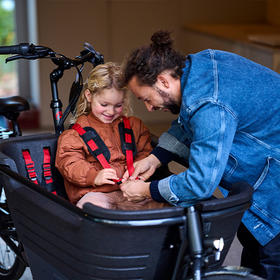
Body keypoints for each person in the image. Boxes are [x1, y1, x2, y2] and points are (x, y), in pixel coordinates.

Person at [120, 30, 280, 279]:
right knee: (253, 247)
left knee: (271, 260)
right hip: (262, 162)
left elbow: (200, 183)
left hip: (274, 189)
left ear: (163, 81)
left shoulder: (209, 104)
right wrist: (156, 157)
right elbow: (188, 119)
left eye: (146, 99)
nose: (149, 107)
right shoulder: (198, 65)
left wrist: (145, 191)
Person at [55, 62, 166, 210]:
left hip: (131, 191)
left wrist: (137, 173)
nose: (110, 111)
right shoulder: (74, 135)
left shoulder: (134, 126)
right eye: (104, 104)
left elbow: (145, 153)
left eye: (118, 105)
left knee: (163, 205)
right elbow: (70, 163)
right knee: (91, 208)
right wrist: (94, 176)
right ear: (89, 96)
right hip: (95, 193)